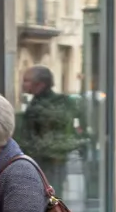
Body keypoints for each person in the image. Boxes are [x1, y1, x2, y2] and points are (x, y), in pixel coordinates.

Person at [17, 65, 79, 199]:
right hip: (42, 159)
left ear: (40, 84)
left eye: (27, 80)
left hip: (49, 161)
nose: (23, 84)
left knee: (51, 199)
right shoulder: (36, 102)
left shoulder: (51, 104)